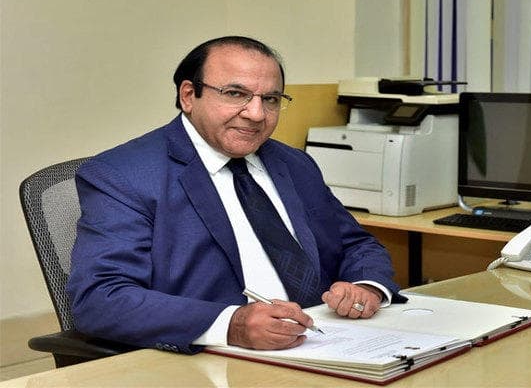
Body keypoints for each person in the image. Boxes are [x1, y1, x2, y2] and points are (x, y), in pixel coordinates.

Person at [66, 36, 406, 355]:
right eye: (235, 93)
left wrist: (367, 286)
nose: (256, 114)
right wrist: (232, 325)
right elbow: (100, 298)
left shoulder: (293, 163)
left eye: (270, 99)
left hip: (327, 343)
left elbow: (356, 244)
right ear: (189, 95)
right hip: (211, 360)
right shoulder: (123, 175)